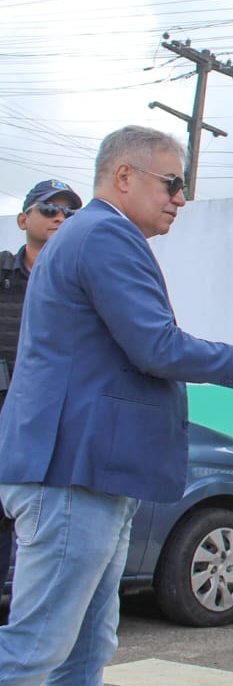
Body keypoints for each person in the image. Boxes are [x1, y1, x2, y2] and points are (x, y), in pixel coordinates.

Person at [0, 126, 233, 686]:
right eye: (171, 182)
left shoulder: (94, 236)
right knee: (37, 644)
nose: (181, 197)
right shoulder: (104, 234)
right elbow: (155, 345)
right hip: (71, 475)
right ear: (123, 176)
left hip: (90, 476)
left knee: (80, 651)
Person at [0, 179, 84, 623]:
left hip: (48, 428)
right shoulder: (3, 275)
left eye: (69, 213)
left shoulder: (80, 280)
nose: (59, 218)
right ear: (23, 219)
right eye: (49, 209)